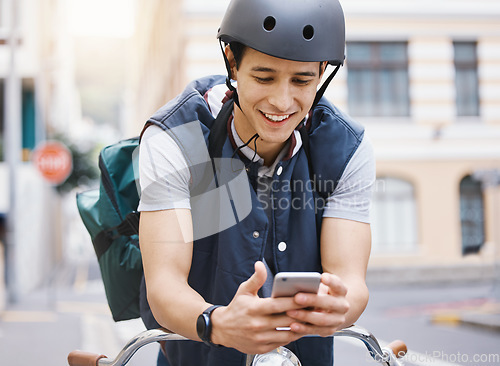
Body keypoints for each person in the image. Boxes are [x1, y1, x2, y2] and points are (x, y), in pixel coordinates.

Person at [137, 0, 375, 365]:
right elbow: (164, 285)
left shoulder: (345, 149)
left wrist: (339, 307)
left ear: (323, 70)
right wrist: (217, 323)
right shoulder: (176, 138)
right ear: (232, 61)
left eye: (301, 80)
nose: (281, 102)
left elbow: (352, 282)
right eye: (264, 77)